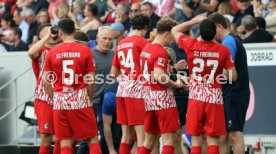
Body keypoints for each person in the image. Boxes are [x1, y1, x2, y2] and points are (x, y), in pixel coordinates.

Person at [172, 16, 238, 154]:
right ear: (215, 32)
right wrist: (219, 70)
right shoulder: (223, 50)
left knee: (196, 140)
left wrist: (194, 21)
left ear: (200, 32)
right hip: (214, 99)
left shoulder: (191, 44)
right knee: (213, 140)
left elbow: (175, 29)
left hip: (196, 98)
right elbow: (233, 77)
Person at [43, 18, 102, 154]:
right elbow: (91, 80)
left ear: (60, 33)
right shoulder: (85, 50)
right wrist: (89, 98)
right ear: (75, 31)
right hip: (80, 99)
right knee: (92, 139)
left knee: (65, 140)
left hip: (60, 101)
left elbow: (46, 81)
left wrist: (55, 99)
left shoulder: (52, 53)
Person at [139, 17, 185, 154]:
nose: (174, 40)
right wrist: (176, 84)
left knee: (149, 141)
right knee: (169, 140)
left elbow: (156, 73)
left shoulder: (146, 48)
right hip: (163, 100)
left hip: (149, 98)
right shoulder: (161, 51)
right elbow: (159, 76)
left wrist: (176, 74)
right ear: (166, 34)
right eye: (173, 35)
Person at [208, 12, 250, 154]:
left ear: (219, 27)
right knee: (222, 136)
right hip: (229, 94)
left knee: (234, 134)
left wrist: (209, 74)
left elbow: (227, 72)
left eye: (211, 28)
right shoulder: (229, 41)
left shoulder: (229, 42)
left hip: (234, 94)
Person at [110, 14, 150, 154]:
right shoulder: (144, 43)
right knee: (141, 136)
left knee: (126, 135)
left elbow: (113, 73)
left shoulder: (121, 43)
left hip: (122, 90)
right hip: (137, 91)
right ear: (146, 28)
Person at [77, 26, 115, 154]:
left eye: (110, 39)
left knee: (107, 136)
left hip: (108, 102)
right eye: (104, 38)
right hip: (92, 101)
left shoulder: (114, 55)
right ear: (97, 38)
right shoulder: (89, 54)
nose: (107, 41)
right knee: (87, 138)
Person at [28, 23, 59, 154]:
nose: (52, 33)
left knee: (65, 137)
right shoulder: (40, 50)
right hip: (45, 98)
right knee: (46, 138)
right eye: (47, 31)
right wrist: (46, 37)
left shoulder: (61, 49)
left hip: (62, 97)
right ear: (41, 35)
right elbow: (31, 52)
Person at [102, 81, 122, 154]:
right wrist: (111, 150)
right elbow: (106, 125)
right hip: (111, 97)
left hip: (113, 96)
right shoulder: (109, 97)